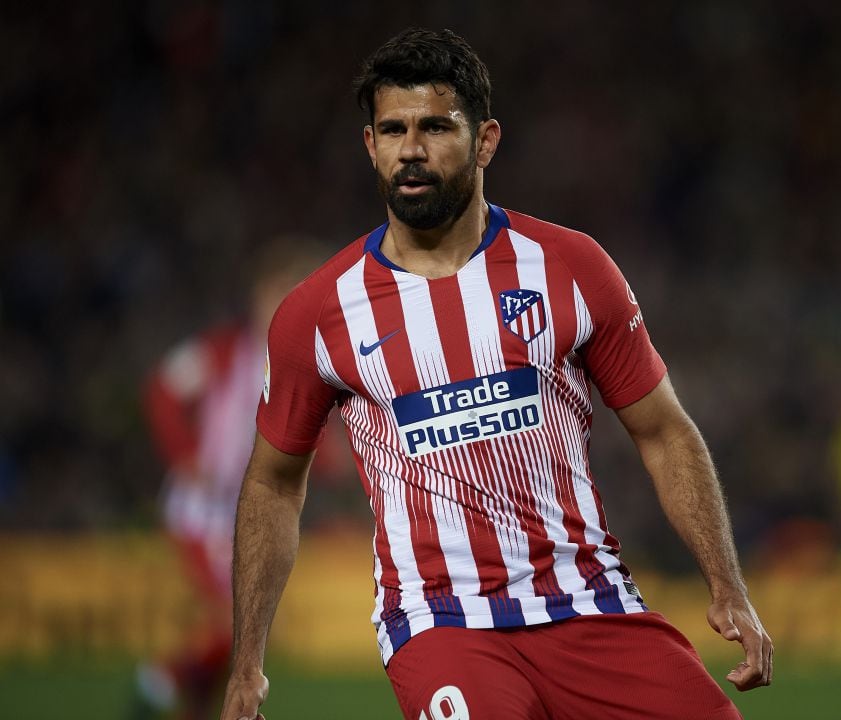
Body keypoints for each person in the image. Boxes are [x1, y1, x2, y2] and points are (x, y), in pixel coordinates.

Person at [220, 27, 772, 720]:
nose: (411, 149)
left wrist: (727, 585)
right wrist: (247, 663)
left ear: (485, 141)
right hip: (441, 624)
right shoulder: (318, 311)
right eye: (392, 129)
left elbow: (663, 431)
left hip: (588, 604)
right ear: (370, 146)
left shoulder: (571, 267)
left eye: (435, 127)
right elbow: (273, 482)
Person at [136, 238, 337, 720]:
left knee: (242, 627)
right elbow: (162, 390)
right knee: (239, 622)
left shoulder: (300, 363)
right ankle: (155, 685)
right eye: (280, 294)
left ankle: (191, 707)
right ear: (260, 296)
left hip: (244, 510)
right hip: (202, 510)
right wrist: (184, 454)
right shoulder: (224, 350)